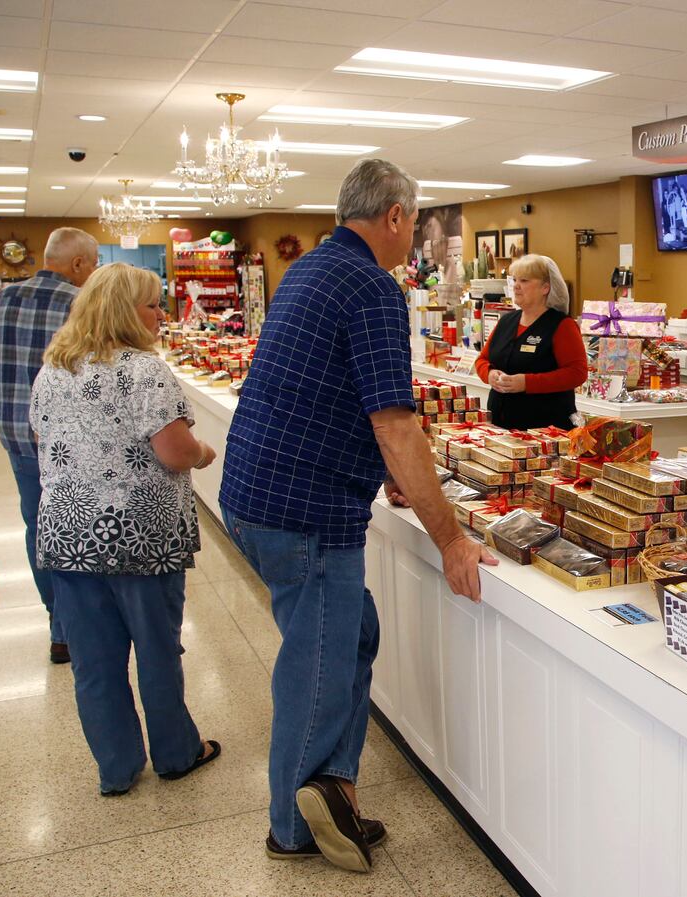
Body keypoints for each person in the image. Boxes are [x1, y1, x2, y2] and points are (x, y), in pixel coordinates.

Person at [219, 158, 494, 873]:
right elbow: (395, 424)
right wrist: (451, 537)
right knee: (316, 664)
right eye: (414, 222)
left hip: (254, 492)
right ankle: (294, 824)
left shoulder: (311, 268)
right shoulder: (373, 286)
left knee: (353, 634)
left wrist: (396, 477)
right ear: (397, 217)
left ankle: (330, 789)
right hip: (304, 509)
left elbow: (329, 393)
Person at [30, 263, 219, 796]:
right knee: (157, 650)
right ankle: (176, 753)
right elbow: (175, 451)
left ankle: (116, 769)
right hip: (140, 536)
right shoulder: (144, 371)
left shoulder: (53, 370)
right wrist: (205, 453)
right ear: (123, 312)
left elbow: (44, 446)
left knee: (94, 662)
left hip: (68, 533)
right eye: (154, 305)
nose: (163, 314)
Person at [0, 226, 99, 665]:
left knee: (38, 525)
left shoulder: (3, 299)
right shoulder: (80, 304)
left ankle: (59, 624)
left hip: (13, 431)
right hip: (65, 439)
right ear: (77, 265)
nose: (95, 271)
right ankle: (72, 626)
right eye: (95, 262)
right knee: (74, 525)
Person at [477, 254, 587, 430]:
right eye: (514, 280)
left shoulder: (562, 325)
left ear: (545, 287)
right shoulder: (506, 321)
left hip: (545, 432)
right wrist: (489, 374)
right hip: (501, 427)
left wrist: (527, 383)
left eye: (525, 280)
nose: (516, 286)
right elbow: (482, 360)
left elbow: (577, 373)